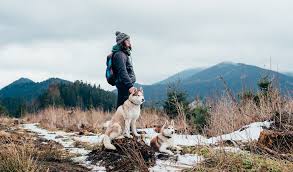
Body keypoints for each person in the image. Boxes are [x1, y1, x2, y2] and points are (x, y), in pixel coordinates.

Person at [111, 31, 136, 108]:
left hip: (125, 85)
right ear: (122, 42)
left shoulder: (123, 53)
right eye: (127, 40)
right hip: (125, 86)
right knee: (123, 111)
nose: (129, 42)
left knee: (123, 110)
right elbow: (122, 71)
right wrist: (130, 86)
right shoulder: (120, 55)